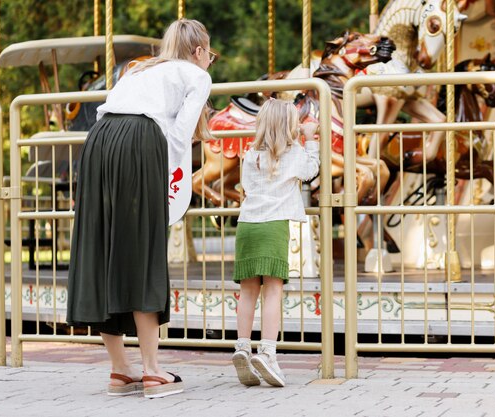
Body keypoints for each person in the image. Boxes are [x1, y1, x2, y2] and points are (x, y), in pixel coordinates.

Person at [66, 18, 215, 399]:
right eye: (210, 54)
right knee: (144, 248)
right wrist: (172, 185)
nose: (209, 61)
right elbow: (180, 136)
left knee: (101, 245)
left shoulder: (139, 68)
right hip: (140, 141)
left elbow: (105, 111)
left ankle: (121, 370)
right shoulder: (196, 75)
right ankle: (152, 371)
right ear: (198, 51)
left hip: (99, 142)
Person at [232, 99, 320, 387]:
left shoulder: (249, 155)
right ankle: (268, 352)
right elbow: (312, 171)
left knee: (247, 293)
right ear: (290, 127)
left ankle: (242, 348)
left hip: (247, 226)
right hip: (273, 227)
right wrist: (310, 139)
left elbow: (246, 188)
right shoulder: (294, 153)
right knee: (272, 291)